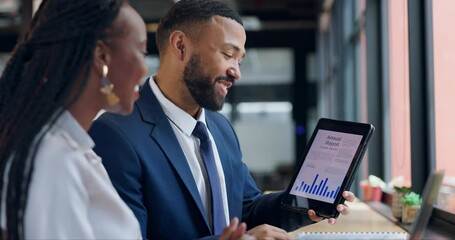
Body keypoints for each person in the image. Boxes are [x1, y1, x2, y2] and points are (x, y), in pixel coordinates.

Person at [89, 0, 355, 239]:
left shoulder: (219, 128)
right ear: (180, 46)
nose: (236, 72)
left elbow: (246, 208)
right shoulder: (114, 135)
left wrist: (307, 203)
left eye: (240, 60)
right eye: (228, 55)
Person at [0, 0, 246, 239]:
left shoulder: (78, 153)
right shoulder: (53, 160)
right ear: (102, 57)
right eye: (140, 51)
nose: (144, 67)